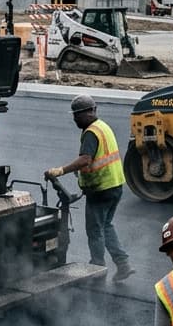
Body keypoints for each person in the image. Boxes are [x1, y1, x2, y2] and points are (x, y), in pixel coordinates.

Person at [44, 92, 134, 282]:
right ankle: (123, 264)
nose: (75, 119)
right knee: (106, 226)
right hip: (115, 185)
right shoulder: (103, 127)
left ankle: (97, 268)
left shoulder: (91, 133)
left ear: (89, 112)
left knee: (94, 230)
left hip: (101, 189)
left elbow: (86, 159)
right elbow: (97, 158)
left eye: (77, 115)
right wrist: (84, 170)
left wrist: (60, 170)